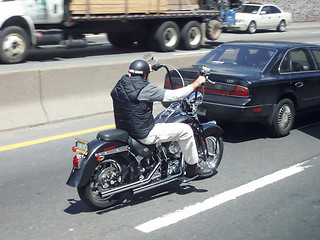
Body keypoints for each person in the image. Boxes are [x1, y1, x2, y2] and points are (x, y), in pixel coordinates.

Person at [111, 59, 213, 178]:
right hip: (143, 133)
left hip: (126, 129)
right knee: (186, 131)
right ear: (145, 75)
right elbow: (174, 96)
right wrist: (196, 84)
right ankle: (193, 167)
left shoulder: (120, 84)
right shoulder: (146, 89)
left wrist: (147, 68)